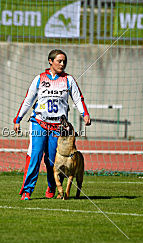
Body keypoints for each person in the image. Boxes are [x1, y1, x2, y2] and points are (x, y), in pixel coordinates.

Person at [13, 49, 91, 200]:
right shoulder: (39, 79)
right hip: (39, 122)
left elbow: (78, 98)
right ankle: (27, 191)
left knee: (52, 160)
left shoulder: (69, 80)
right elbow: (27, 100)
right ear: (50, 61)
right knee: (35, 155)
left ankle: (52, 186)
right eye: (59, 61)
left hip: (58, 127)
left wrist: (85, 114)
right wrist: (18, 119)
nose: (62, 64)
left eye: (64, 61)